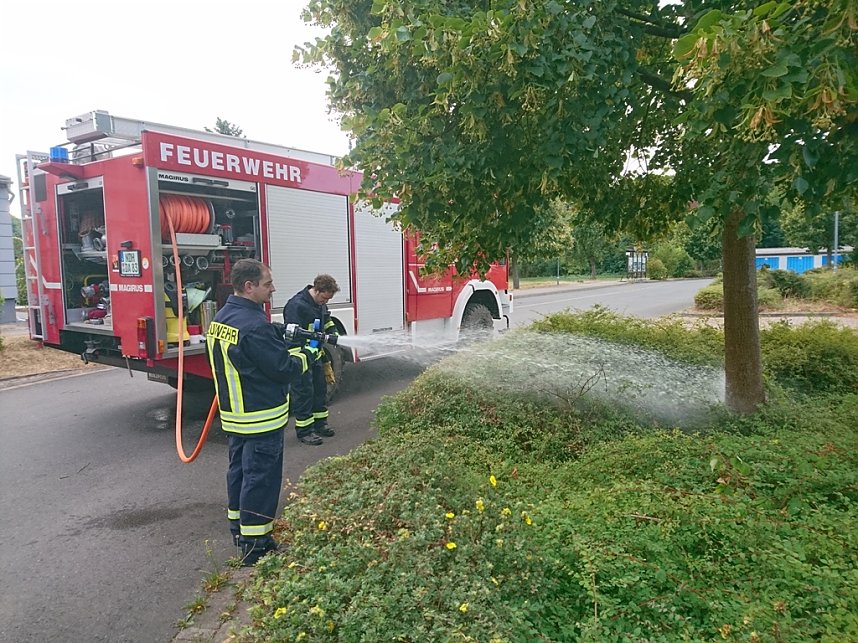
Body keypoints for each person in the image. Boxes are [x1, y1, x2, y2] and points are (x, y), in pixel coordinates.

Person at [206, 258, 317, 565]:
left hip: (235, 418)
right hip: (261, 419)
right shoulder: (254, 327)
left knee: (240, 474)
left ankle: (239, 530)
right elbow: (283, 369)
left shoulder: (223, 318)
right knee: (261, 481)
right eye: (268, 284)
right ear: (249, 286)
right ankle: (258, 547)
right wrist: (307, 353)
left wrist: (279, 334)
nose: (273, 289)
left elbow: (248, 356)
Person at [283, 274, 341, 446]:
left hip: (315, 355)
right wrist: (300, 360)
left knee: (319, 389)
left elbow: (327, 320)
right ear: (316, 290)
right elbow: (292, 337)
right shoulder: (296, 306)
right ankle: (305, 431)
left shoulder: (319, 303)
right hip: (301, 356)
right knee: (303, 393)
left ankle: (320, 424)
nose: (325, 303)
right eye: (324, 298)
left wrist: (334, 334)